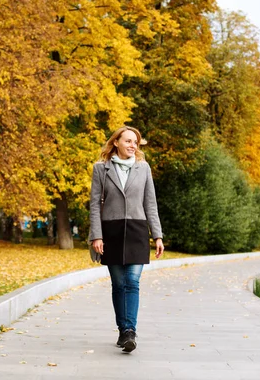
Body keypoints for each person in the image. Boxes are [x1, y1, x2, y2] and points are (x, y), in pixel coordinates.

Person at [89, 126, 164, 353]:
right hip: (110, 232)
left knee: (132, 282)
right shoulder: (101, 169)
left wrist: (157, 235)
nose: (133, 145)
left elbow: (150, 203)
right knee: (118, 284)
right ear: (116, 143)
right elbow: (94, 204)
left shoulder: (143, 168)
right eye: (128, 141)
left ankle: (130, 331)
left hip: (137, 230)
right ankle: (122, 330)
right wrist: (97, 235)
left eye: (136, 142)